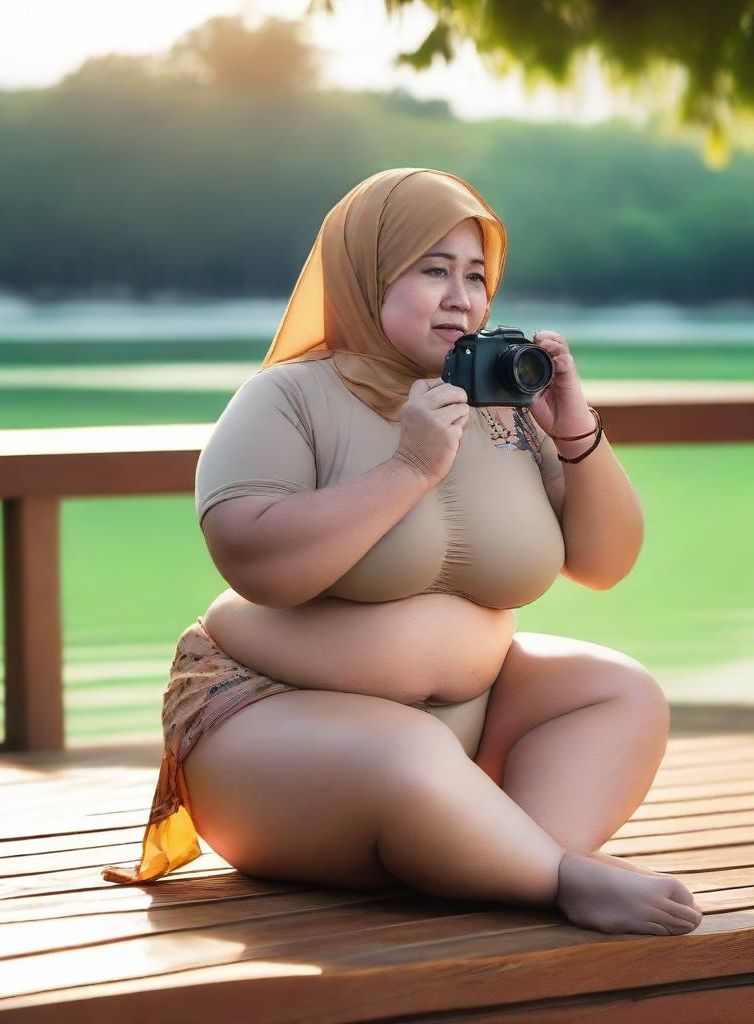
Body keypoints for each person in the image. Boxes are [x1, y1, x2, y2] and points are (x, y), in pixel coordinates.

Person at [101, 167, 703, 937]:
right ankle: (551, 876)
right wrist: (409, 469)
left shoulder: (505, 412)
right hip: (271, 728)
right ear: (366, 273)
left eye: (478, 276)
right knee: (407, 754)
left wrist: (575, 430)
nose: (463, 297)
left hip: (466, 723)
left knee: (621, 692)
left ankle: (504, 857)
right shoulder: (287, 398)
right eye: (434, 270)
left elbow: (604, 562)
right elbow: (252, 558)